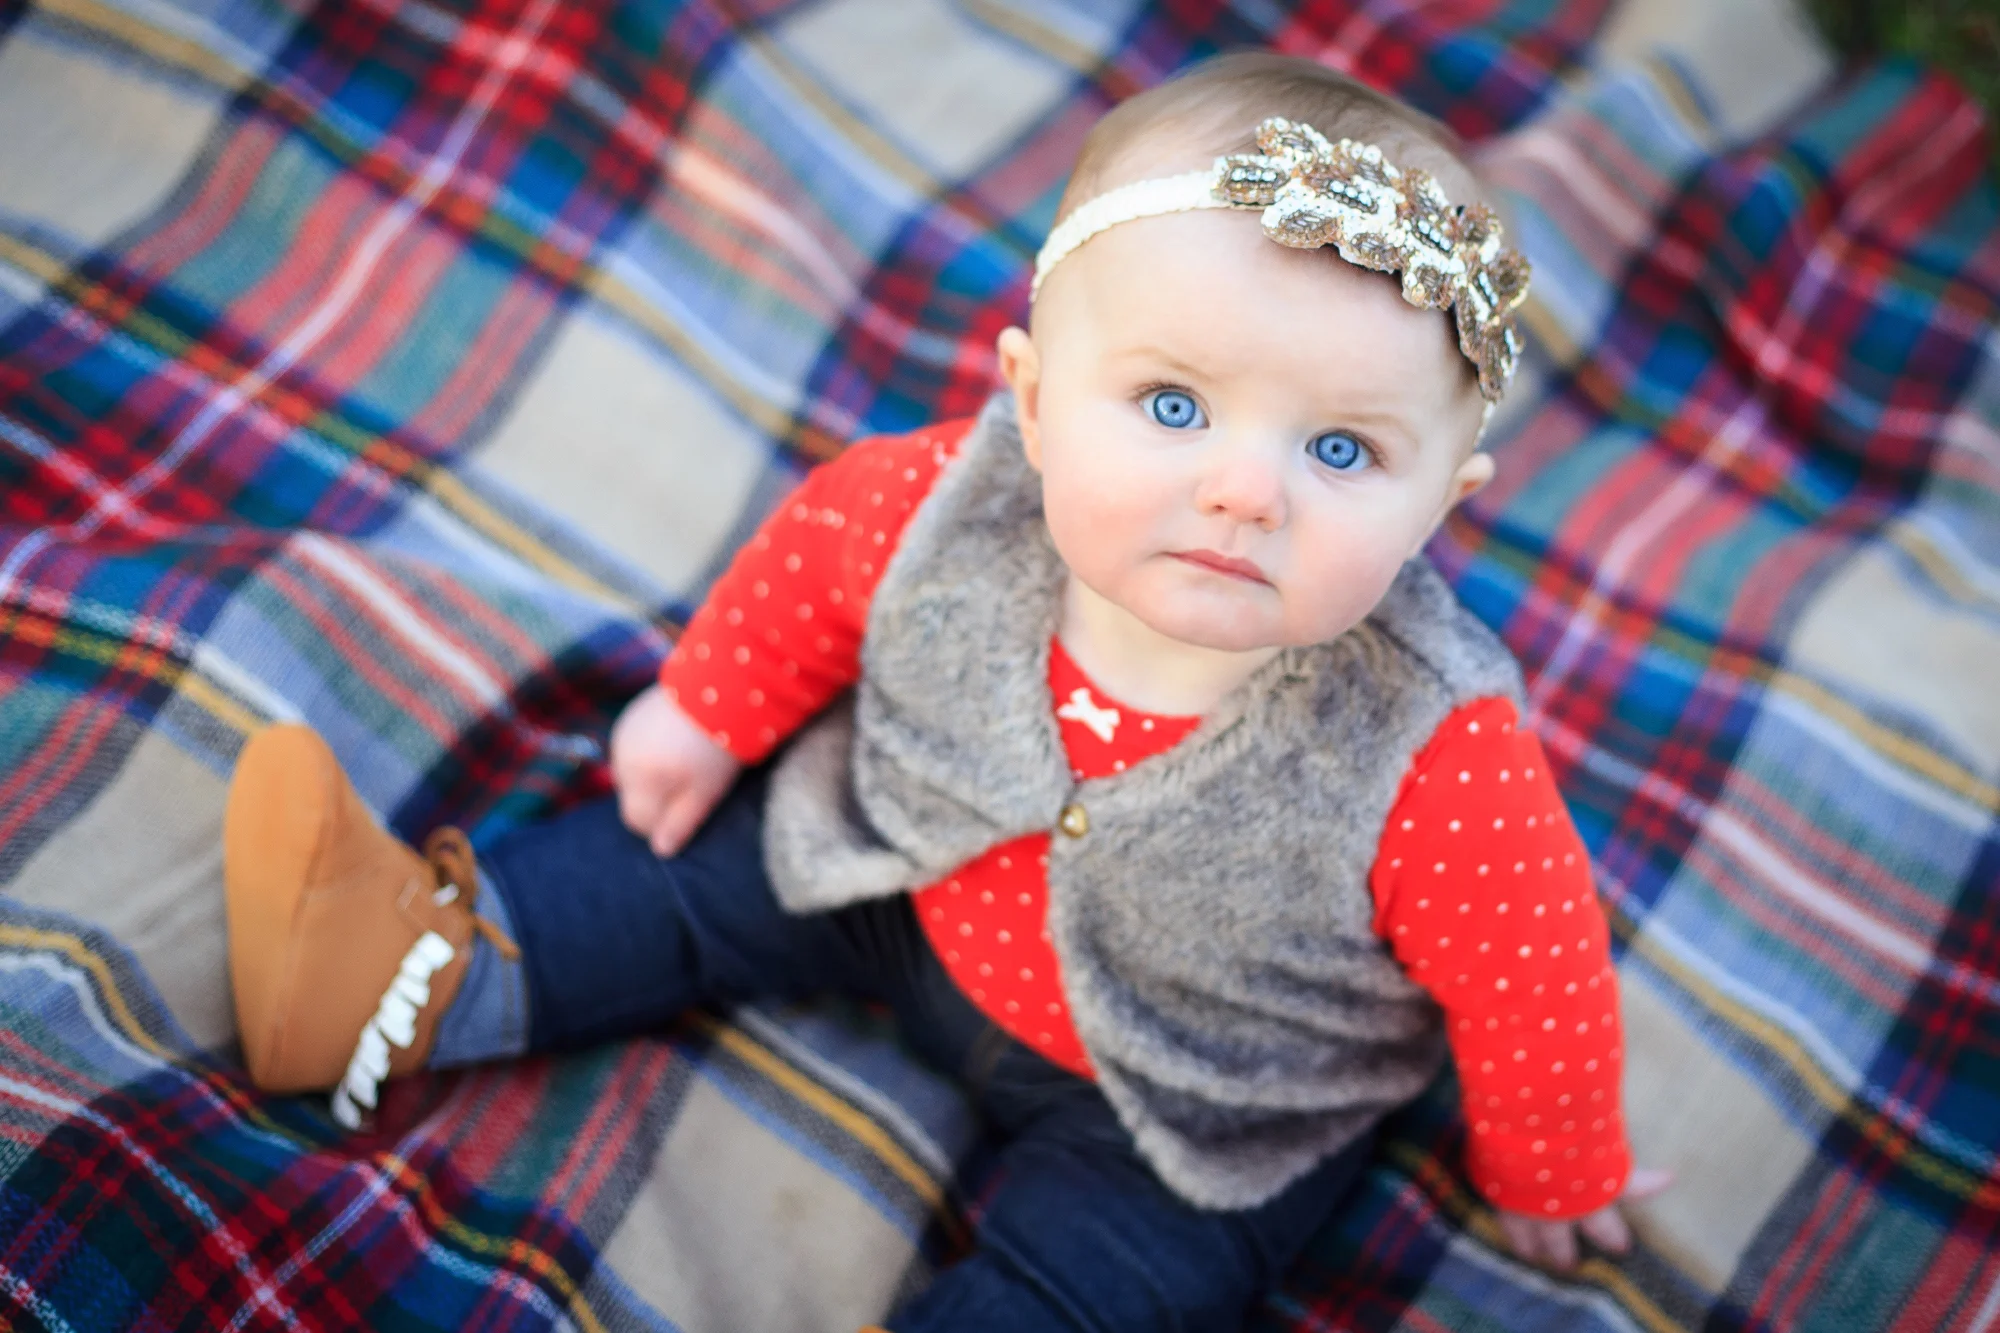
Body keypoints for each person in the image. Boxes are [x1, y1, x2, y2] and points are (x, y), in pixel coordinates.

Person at [221, 51, 1666, 1331]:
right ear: (1033, 401)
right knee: (677, 869)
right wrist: (707, 711)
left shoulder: (1436, 750)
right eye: (1174, 407)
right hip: (895, 868)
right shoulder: (932, 505)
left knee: (1121, 1273)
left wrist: (1551, 1162)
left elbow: (1533, 973)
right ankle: (399, 975)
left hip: (1193, 1097)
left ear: (1441, 507)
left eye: (1341, 453)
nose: (1243, 491)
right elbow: (808, 578)